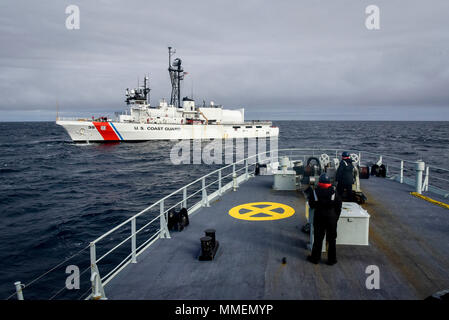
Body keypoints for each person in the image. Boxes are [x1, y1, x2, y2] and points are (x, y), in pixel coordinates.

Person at [307, 173, 342, 265]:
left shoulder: (315, 192)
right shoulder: (334, 191)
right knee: (331, 239)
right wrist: (336, 218)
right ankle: (332, 260)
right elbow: (338, 206)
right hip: (331, 218)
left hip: (319, 217)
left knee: (318, 238)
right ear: (329, 182)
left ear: (320, 182)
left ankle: (315, 258)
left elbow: (311, 205)